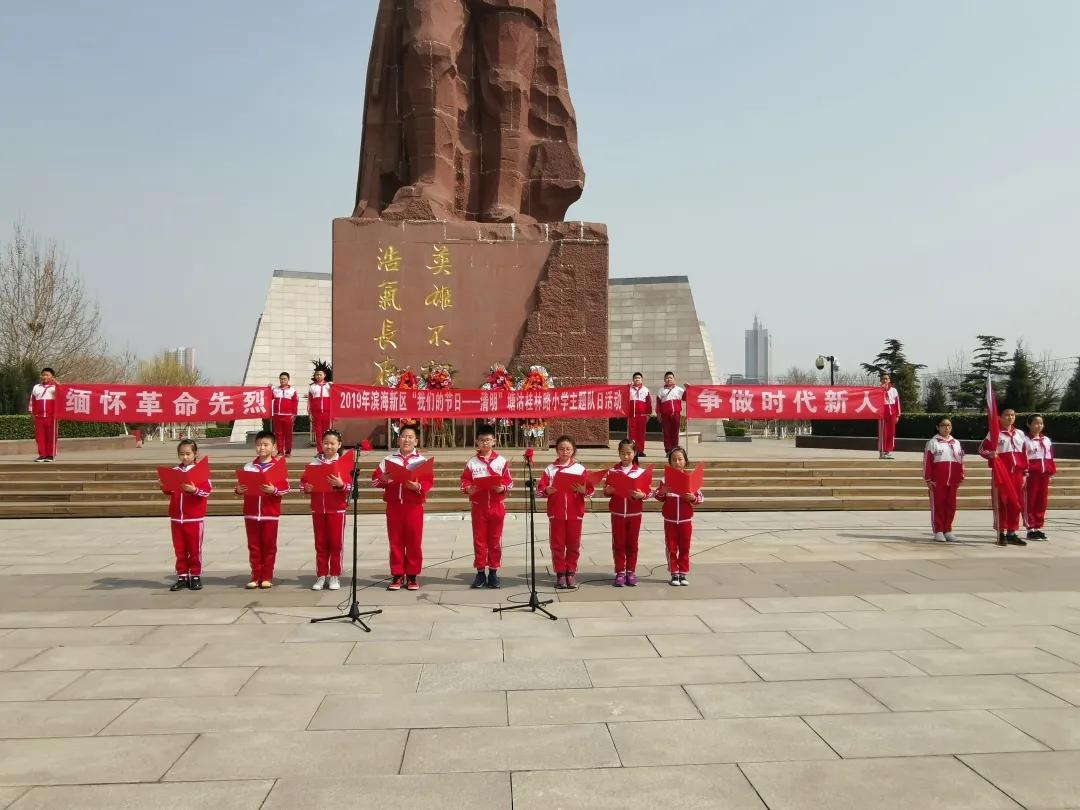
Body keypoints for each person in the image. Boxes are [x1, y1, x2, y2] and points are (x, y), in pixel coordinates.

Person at [372, 425, 433, 591]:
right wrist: (384, 478)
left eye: (410, 437)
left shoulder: (421, 461)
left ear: (416, 441)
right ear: (398, 439)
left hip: (414, 506)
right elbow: (375, 481)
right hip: (394, 506)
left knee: (414, 541)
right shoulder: (388, 460)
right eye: (404, 436)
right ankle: (397, 574)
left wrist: (418, 486)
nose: (407, 440)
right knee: (396, 541)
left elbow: (428, 482)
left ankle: (412, 575)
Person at [460, 424, 513, 589]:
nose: (485, 443)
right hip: (479, 507)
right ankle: (480, 573)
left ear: (494, 441)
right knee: (479, 541)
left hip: (497, 506)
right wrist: (469, 488)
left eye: (488, 440)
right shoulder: (472, 462)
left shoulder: (501, 461)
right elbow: (464, 482)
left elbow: (509, 482)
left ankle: (494, 573)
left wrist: (502, 488)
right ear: (477, 442)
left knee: (495, 541)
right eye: (481, 440)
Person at [235, 430, 289, 588]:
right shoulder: (249, 466)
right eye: (258, 445)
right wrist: (239, 490)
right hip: (251, 513)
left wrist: (274, 490)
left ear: (274, 446)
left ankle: (267, 576)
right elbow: (240, 486)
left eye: (265, 444)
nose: (262, 448)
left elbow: (285, 487)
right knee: (254, 546)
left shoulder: (278, 467)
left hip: (269, 513)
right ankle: (255, 575)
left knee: (269, 546)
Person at [538, 435, 593, 590]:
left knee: (574, 545)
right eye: (561, 449)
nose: (564, 451)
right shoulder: (550, 469)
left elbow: (590, 490)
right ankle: (560, 573)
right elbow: (540, 490)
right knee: (557, 545)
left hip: (575, 513)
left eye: (568, 449)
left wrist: (583, 490)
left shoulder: (580, 469)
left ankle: (571, 571)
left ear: (573, 450)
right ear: (557, 450)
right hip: (556, 513)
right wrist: (547, 490)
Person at [300, 429, 350, 590]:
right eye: (326, 443)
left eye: (332, 443)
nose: (329, 446)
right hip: (318, 509)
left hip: (337, 509)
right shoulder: (314, 463)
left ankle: (334, 575)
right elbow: (303, 483)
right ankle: (321, 575)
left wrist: (341, 484)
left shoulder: (344, 463)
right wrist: (306, 487)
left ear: (339, 445)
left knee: (336, 544)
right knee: (320, 544)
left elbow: (351, 487)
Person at [161, 438, 212, 591]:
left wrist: (194, 490)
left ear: (195, 454)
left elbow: (207, 491)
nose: (185, 457)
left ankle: (195, 575)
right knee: (180, 549)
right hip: (177, 517)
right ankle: (182, 575)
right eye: (181, 454)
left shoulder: (200, 471)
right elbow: (170, 491)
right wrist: (164, 486)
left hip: (194, 517)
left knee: (194, 548)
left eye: (188, 454)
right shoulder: (175, 471)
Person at [653, 445, 703, 586]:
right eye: (674, 460)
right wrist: (663, 491)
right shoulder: (665, 479)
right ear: (670, 462)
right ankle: (674, 572)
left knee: (685, 546)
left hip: (686, 520)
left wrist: (692, 497)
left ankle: (683, 572)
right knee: (671, 547)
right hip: (670, 519)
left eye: (680, 459)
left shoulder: (690, 478)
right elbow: (657, 495)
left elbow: (700, 498)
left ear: (685, 461)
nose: (677, 462)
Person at [602, 438, 648, 587]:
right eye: (623, 453)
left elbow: (647, 491)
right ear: (619, 454)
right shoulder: (613, 471)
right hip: (618, 513)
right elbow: (606, 490)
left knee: (632, 544)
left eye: (629, 453)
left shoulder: (641, 472)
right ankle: (620, 572)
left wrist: (642, 495)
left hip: (634, 514)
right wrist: (608, 491)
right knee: (619, 544)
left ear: (635, 453)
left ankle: (631, 572)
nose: (626, 456)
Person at [980, 407, 1028, 547]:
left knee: (1016, 502)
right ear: (1000, 418)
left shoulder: (1020, 433)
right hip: (1002, 473)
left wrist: (1025, 471)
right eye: (1007, 415)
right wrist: (990, 453)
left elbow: (1025, 453)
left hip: (1017, 473)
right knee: (1002, 502)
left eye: (1013, 415)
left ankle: (1012, 533)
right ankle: (1001, 532)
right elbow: (981, 449)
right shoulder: (995, 433)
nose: (1010, 417)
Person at [923, 416, 965, 543]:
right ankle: (938, 530)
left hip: (953, 481)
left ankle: (948, 530)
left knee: (951, 506)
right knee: (938, 506)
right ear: (937, 427)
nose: (947, 428)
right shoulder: (933, 443)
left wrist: (961, 475)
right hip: (937, 481)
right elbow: (927, 462)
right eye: (944, 425)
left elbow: (961, 460)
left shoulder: (956, 443)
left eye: (949, 425)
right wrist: (928, 479)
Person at [1024, 414, 1056, 541]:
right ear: (1029, 424)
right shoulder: (1025, 440)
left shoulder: (1046, 440)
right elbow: (1023, 457)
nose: (1039, 425)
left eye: (1041, 423)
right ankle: (1030, 528)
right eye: (1036, 423)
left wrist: (1051, 472)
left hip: (1044, 475)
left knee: (1042, 502)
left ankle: (1038, 527)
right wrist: (1025, 472)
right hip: (1031, 475)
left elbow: (1050, 457)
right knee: (1030, 501)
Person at [29, 367, 58, 462]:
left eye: (47, 375)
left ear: (52, 376)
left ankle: (50, 455)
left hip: (52, 416)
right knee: (40, 436)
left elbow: (62, 396)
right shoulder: (36, 387)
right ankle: (42, 455)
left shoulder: (55, 387)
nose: (45, 376)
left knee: (51, 436)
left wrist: (57, 384)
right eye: (43, 374)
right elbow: (32, 400)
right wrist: (32, 413)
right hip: (39, 416)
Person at [656, 371, 686, 455]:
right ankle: (668, 450)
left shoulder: (679, 389)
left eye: (670, 378)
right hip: (665, 415)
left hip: (676, 414)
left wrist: (687, 389)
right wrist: (658, 414)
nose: (669, 379)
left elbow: (685, 398)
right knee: (667, 433)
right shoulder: (661, 391)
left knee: (675, 432)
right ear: (664, 380)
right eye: (667, 378)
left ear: (674, 379)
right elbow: (658, 404)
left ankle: (675, 449)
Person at [271, 372, 299, 457]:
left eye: (284, 379)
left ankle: (287, 452)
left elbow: (295, 403)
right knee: (278, 434)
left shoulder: (292, 390)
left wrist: (294, 414)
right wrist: (268, 388)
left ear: (288, 380)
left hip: (288, 416)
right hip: (277, 415)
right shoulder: (275, 390)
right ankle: (280, 451)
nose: (282, 380)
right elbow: (268, 397)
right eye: (281, 379)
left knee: (288, 434)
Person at [627, 372, 652, 457]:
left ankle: (640, 451)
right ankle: (633, 451)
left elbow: (648, 403)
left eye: (639, 378)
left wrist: (648, 414)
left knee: (641, 434)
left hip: (642, 416)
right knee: (632, 434)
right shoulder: (629, 389)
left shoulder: (645, 390)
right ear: (633, 380)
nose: (637, 379)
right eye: (635, 378)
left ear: (641, 380)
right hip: (632, 416)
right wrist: (626, 387)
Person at [308, 369, 333, 448]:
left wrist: (333, 387)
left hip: (327, 413)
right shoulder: (312, 387)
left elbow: (336, 396)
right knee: (318, 433)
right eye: (317, 375)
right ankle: (320, 450)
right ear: (315, 376)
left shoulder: (329, 385)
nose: (318, 376)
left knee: (327, 432)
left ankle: (327, 449)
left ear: (324, 375)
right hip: (316, 414)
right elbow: (309, 401)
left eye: (320, 374)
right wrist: (310, 413)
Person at [879, 373, 902, 459]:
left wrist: (897, 415)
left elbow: (897, 403)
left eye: (886, 379)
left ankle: (888, 451)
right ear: (880, 380)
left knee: (891, 432)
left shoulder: (894, 390)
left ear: (889, 380)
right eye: (883, 379)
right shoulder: (878, 390)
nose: (885, 380)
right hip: (882, 413)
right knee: (882, 432)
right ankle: (881, 451)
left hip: (892, 413)